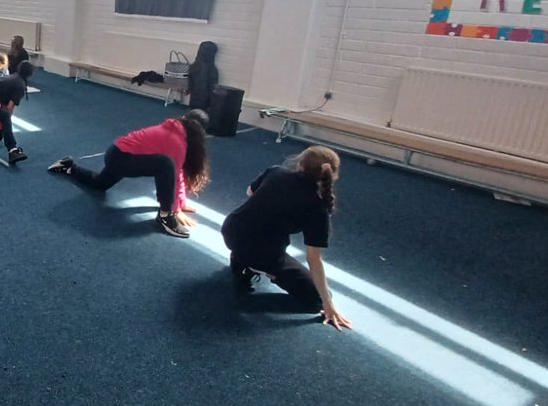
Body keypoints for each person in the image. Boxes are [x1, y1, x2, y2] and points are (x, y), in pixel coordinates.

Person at [222, 146, 352, 331]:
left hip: (231, 230)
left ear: (300, 164)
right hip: (260, 252)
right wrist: (328, 303)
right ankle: (259, 267)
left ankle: (241, 259)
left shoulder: (276, 171)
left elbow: (250, 192)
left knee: (257, 240)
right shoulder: (317, 207)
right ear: (332, 174)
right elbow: (314, 259)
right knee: (316, 300)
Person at [47, 109, 210, 237]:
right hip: (121, 158)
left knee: (100, 184)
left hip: (117, 153)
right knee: (165, 164)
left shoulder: (175, 129)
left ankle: (68, 167)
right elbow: (174, 176)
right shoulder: (177, 142)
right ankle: (165, 216)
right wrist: (174, 209)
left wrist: (181, 203)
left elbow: (179, 172)